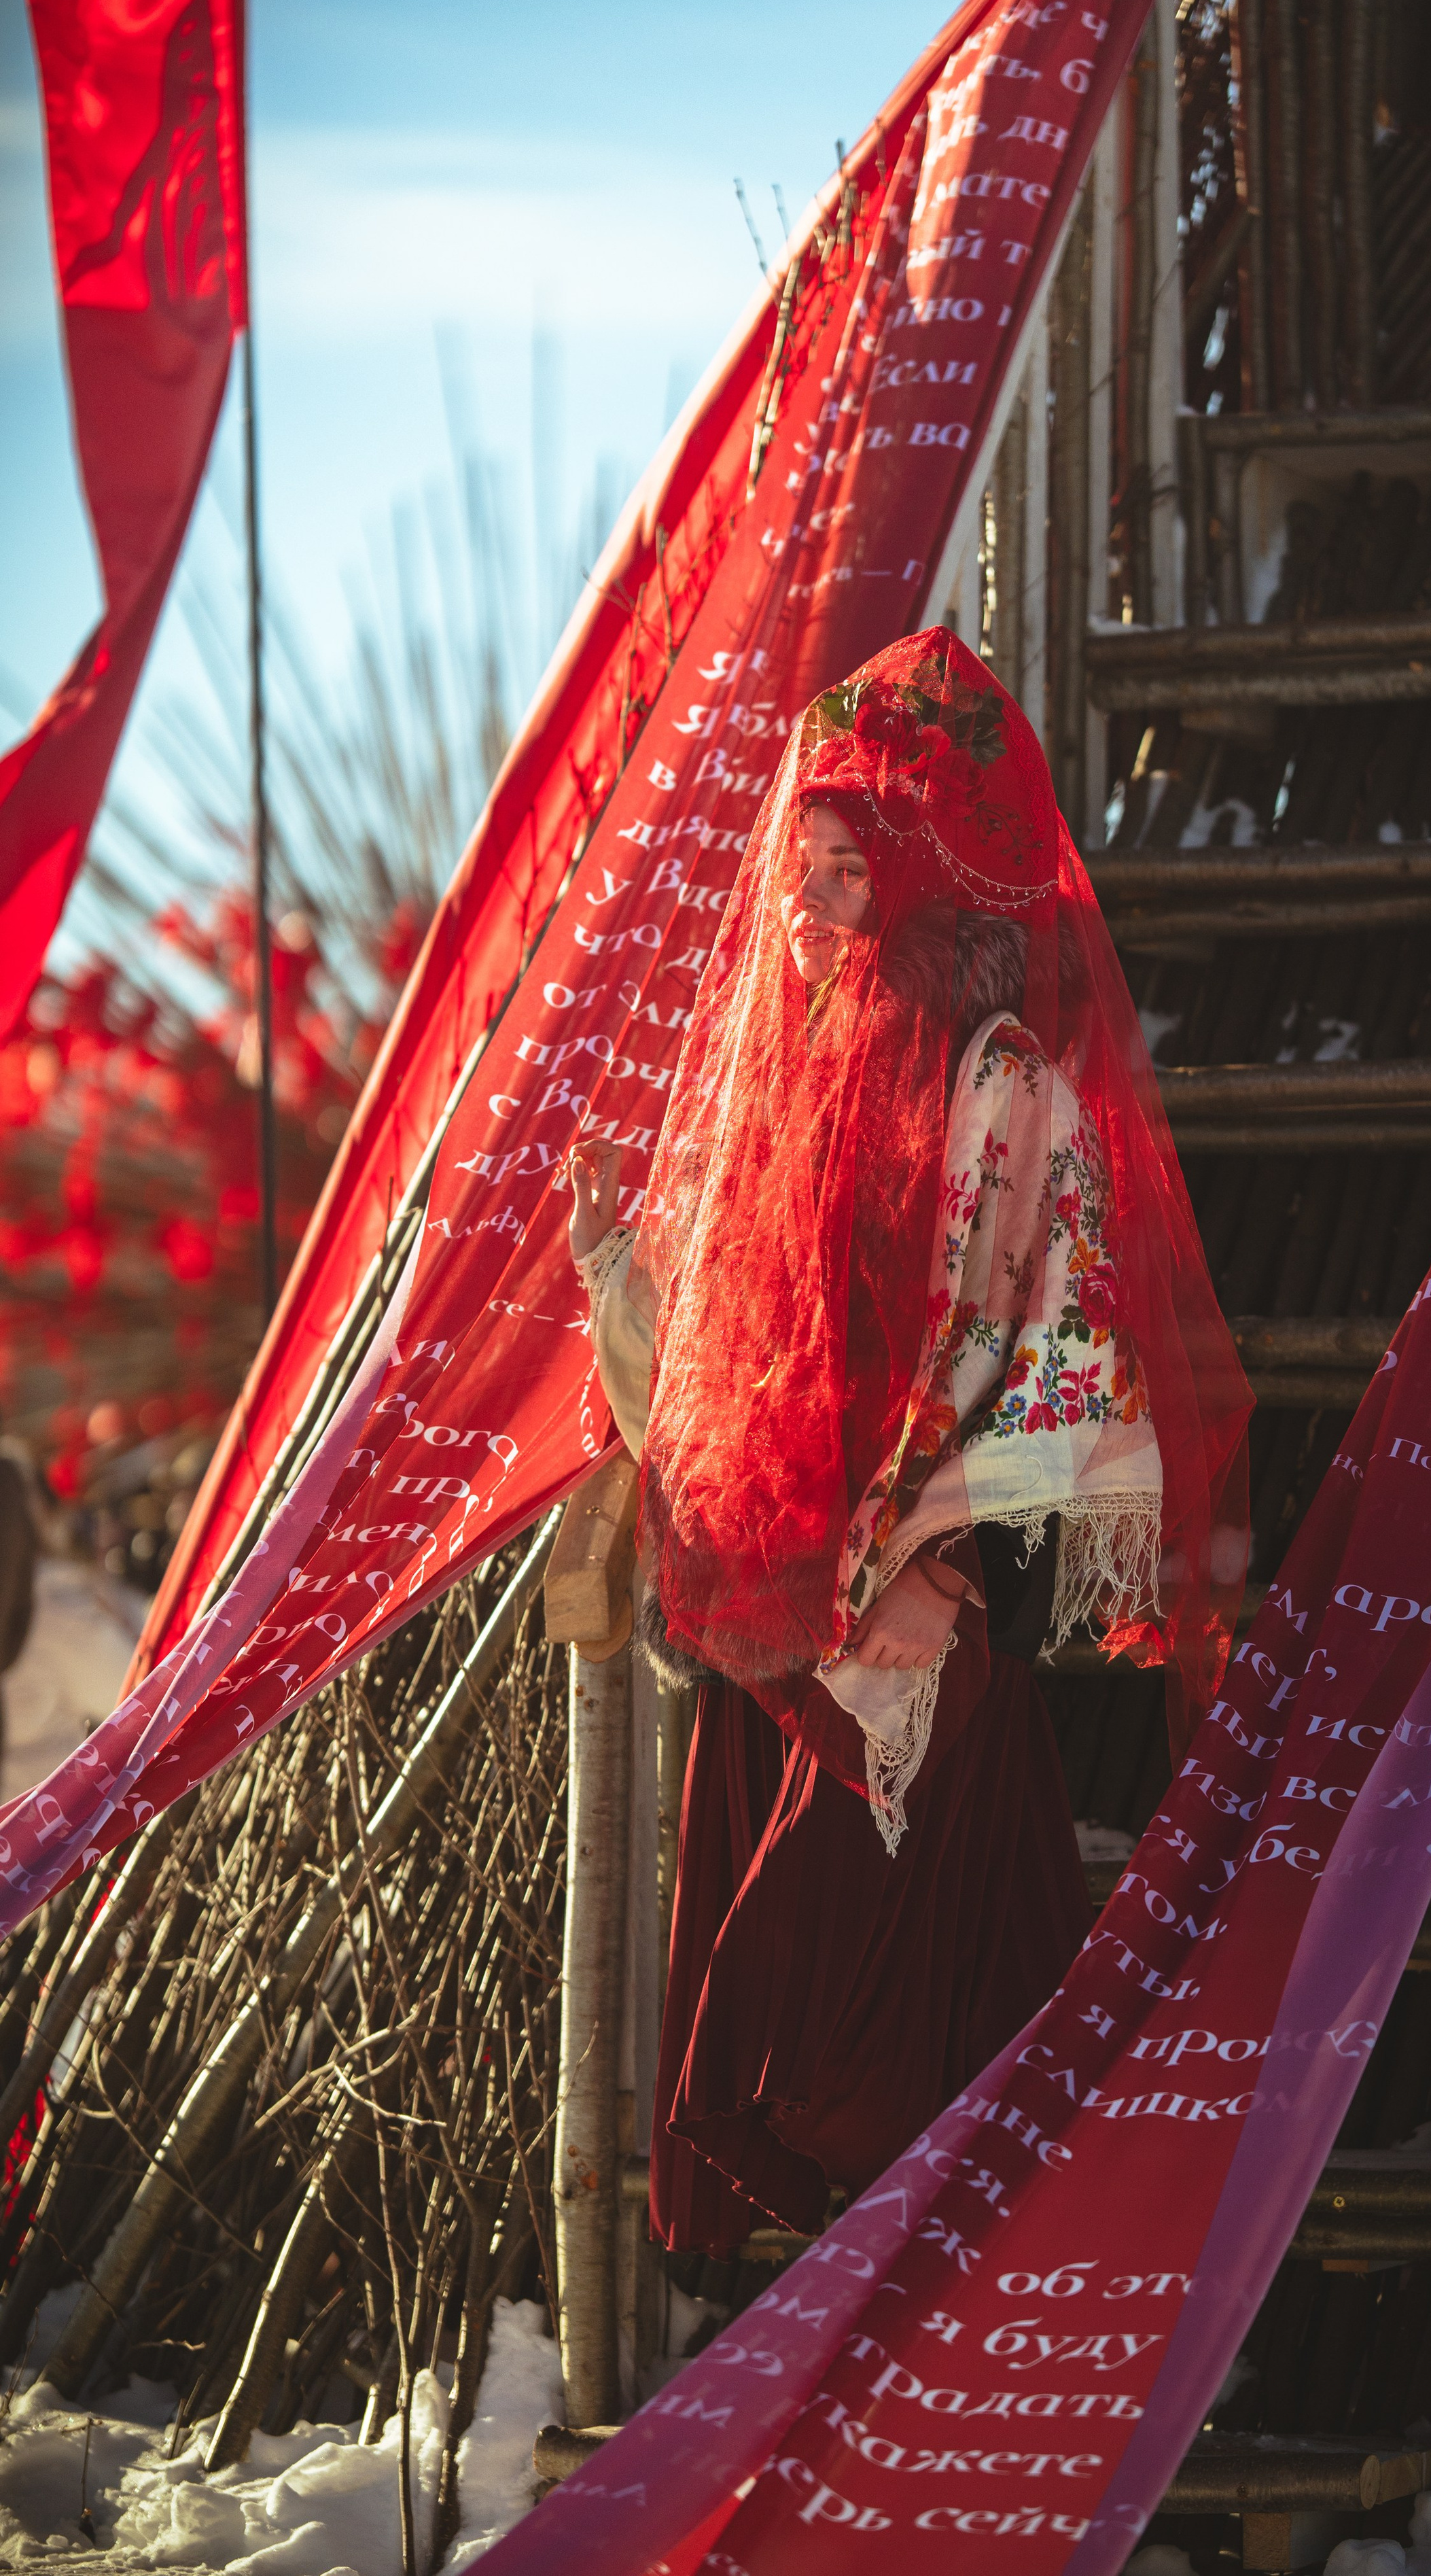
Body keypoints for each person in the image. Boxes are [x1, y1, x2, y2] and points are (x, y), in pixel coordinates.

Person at [566, 627, 1250, 2254]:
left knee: (904, 2085)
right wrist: (615, 1276)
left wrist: (952, 1550)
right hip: (787, 1635)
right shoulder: (780, 1109)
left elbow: (1079, 1383)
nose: (803, 900)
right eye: (792, 864)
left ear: (919, 873)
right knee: (797, 2064)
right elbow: (705, 1403)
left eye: (840, 866)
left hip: (925, 1628)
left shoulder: (1002, 1097)